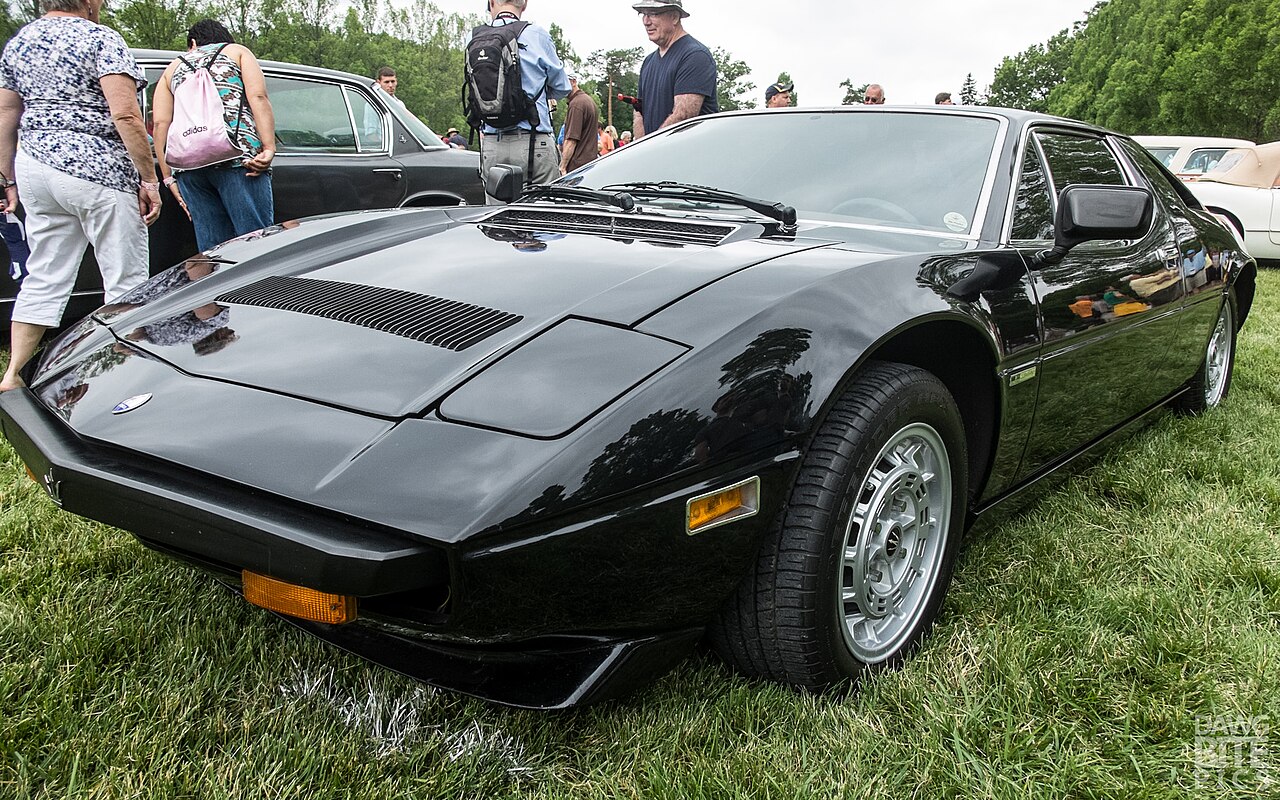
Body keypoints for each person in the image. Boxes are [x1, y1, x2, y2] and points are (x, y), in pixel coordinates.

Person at [0, 0, 162, 391]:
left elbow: (6, 112)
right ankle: (128, 371)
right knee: (125, 276)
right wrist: (149, 178)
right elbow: (125, 115)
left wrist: (6, 178)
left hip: (36, 167)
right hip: (96, 168)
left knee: (44, 273)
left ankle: (12, 374)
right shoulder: (101, 38)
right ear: (88, 2)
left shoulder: (19, 43)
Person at [151, 19, 276, 253]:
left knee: (214, 251)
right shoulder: (237, 52)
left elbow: (160, 124)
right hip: (239, 157)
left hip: (190, 168)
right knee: (256, 244)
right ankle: (256, 291)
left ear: (193, 43)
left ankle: (220, 291)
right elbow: (258, 97)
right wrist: (268, 148)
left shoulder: (172, 68)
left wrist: (168, 179)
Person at [473, 0, 570, 202]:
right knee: (543, 222)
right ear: (524, 5)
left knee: (496, 222)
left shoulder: (475, 37)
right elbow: (562, 87)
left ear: (491, 2)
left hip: (491, 142)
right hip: (534, 141)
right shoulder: (536, 35)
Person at [632, 0, 717, 138]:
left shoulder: (695, 56)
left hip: (690, 155)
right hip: (657, 154)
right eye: (643, 14)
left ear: (675, 17)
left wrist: (651, 148)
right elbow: (639, 111)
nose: (646, 21)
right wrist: (641, 150)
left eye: (653, 13)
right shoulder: (648, 62)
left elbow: (683, 117)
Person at [559, 71, 599, 175]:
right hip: (589, 165)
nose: (560, 87)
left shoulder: (577, 104)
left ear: (573, 82)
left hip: (577, 168)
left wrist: (563, 167)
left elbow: (571, 140)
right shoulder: (587, 100)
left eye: (564, 82)